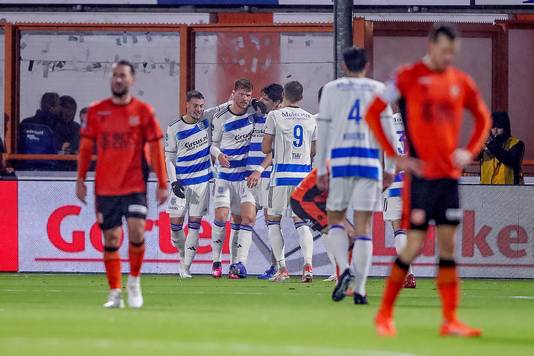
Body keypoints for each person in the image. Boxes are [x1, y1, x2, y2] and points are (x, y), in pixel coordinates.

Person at [365, 23, 491, 337]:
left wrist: (469, 151)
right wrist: (395, 157)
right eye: (445, 50)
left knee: (448, 247)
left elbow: (484, 118)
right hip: (420, 179)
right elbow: (373, 111)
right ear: (431, 45)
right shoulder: (406, 77)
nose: (449, 57)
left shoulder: (460, 81)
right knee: (414, 246)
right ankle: (384, 315)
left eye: (454, 52)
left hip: (449, 178)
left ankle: (450, 320)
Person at [76, 60, 169, 309]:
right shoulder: (97, 111)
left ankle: (134, 282)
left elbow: (156, 147)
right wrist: (80, 179)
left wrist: (162, 181)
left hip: (135, 183)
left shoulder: (144, 112)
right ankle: (115, 292)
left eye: (123, 76)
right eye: (115, 75)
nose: (118, 79)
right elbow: (86, 148)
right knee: (112, 238)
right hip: (105, 187)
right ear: (111, 79)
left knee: (137, 231)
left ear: (132, 80)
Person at [316, 47, 396, 305]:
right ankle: (360, 289)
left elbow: (324, 130)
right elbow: (389, 133)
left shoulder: (331, 89)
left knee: (336, 219)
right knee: (364, 228)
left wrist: (321, 169)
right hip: (369, 163)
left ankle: (344, 267)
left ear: (343, 65)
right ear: (367, 65)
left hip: (340, 162)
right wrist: (390, 169)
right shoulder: (379, 90)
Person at [262, 81, 317, 283]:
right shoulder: (311, 118)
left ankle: (283, 268)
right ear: (301, 98)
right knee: (301, 222)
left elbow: (265, 149)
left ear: (284, 95)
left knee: (273, 220)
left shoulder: (274, 115)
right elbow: (313, 151)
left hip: (281, 177)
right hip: (303, 177)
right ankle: (308, 266)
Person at [210, 78, 258, 279]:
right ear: (233, 93)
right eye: (242, 94)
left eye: (248, 95)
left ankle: (238, 264)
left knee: (247, 219)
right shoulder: (221, 116)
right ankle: (216, 261)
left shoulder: (254, 114)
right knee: (221, 217)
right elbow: (212, 144)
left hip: (244, 178)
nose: (245, 98)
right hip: (224, 177)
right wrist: (219, 154)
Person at [165, 90, 213, 279]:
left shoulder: (207, 120)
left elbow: (228, 106)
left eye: (201, 106)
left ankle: (185, 267)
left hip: (201, 181)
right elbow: (169, 157)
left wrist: (251, 102)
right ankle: (183, 254)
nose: (199, 110)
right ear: (187, 105)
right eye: (195, 106)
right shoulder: (174, 128)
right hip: (181, 183)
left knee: (194, 224)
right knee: (175, 226)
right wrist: (174, 181)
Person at [248, 83, 284, 280]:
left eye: (266, 99)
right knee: (246, 221)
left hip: (268, 176)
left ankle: (277, 266)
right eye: (261, 98)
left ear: (278, 102)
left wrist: (260, 169)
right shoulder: (259, 114)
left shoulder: (279, 118)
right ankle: (237, 265)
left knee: (272, 222)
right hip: (250, 176)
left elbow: (274, 151)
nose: (261, 102)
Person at [383, 112, 416, 289]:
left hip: (394, 181)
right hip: (414, 183)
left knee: (399, 230)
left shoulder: (387, 121)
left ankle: (408, 273)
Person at [18, 92, 61, 170]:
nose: (60, 109)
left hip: (23, 168)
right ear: (52, 108)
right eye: (58, 105)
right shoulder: (55, 126)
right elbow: (56, 149)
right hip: (48, 169)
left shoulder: (25, 122)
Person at [479, 111, 524, 185]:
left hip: (509, 191)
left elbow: (509, 160)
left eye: (499, 127)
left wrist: (491, 144)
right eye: (492, 127)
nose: (495, 130)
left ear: (505, 127)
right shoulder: (486, 142)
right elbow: (474, 156)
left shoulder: (517, 144)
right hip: (486, 190)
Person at [55, 96, 81, 171]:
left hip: (73, 170)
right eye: (66, 108)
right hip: (53, 169)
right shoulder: (51, 126)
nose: (70, 112)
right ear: (59, 109)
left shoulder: (77, 128)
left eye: (73, 109)